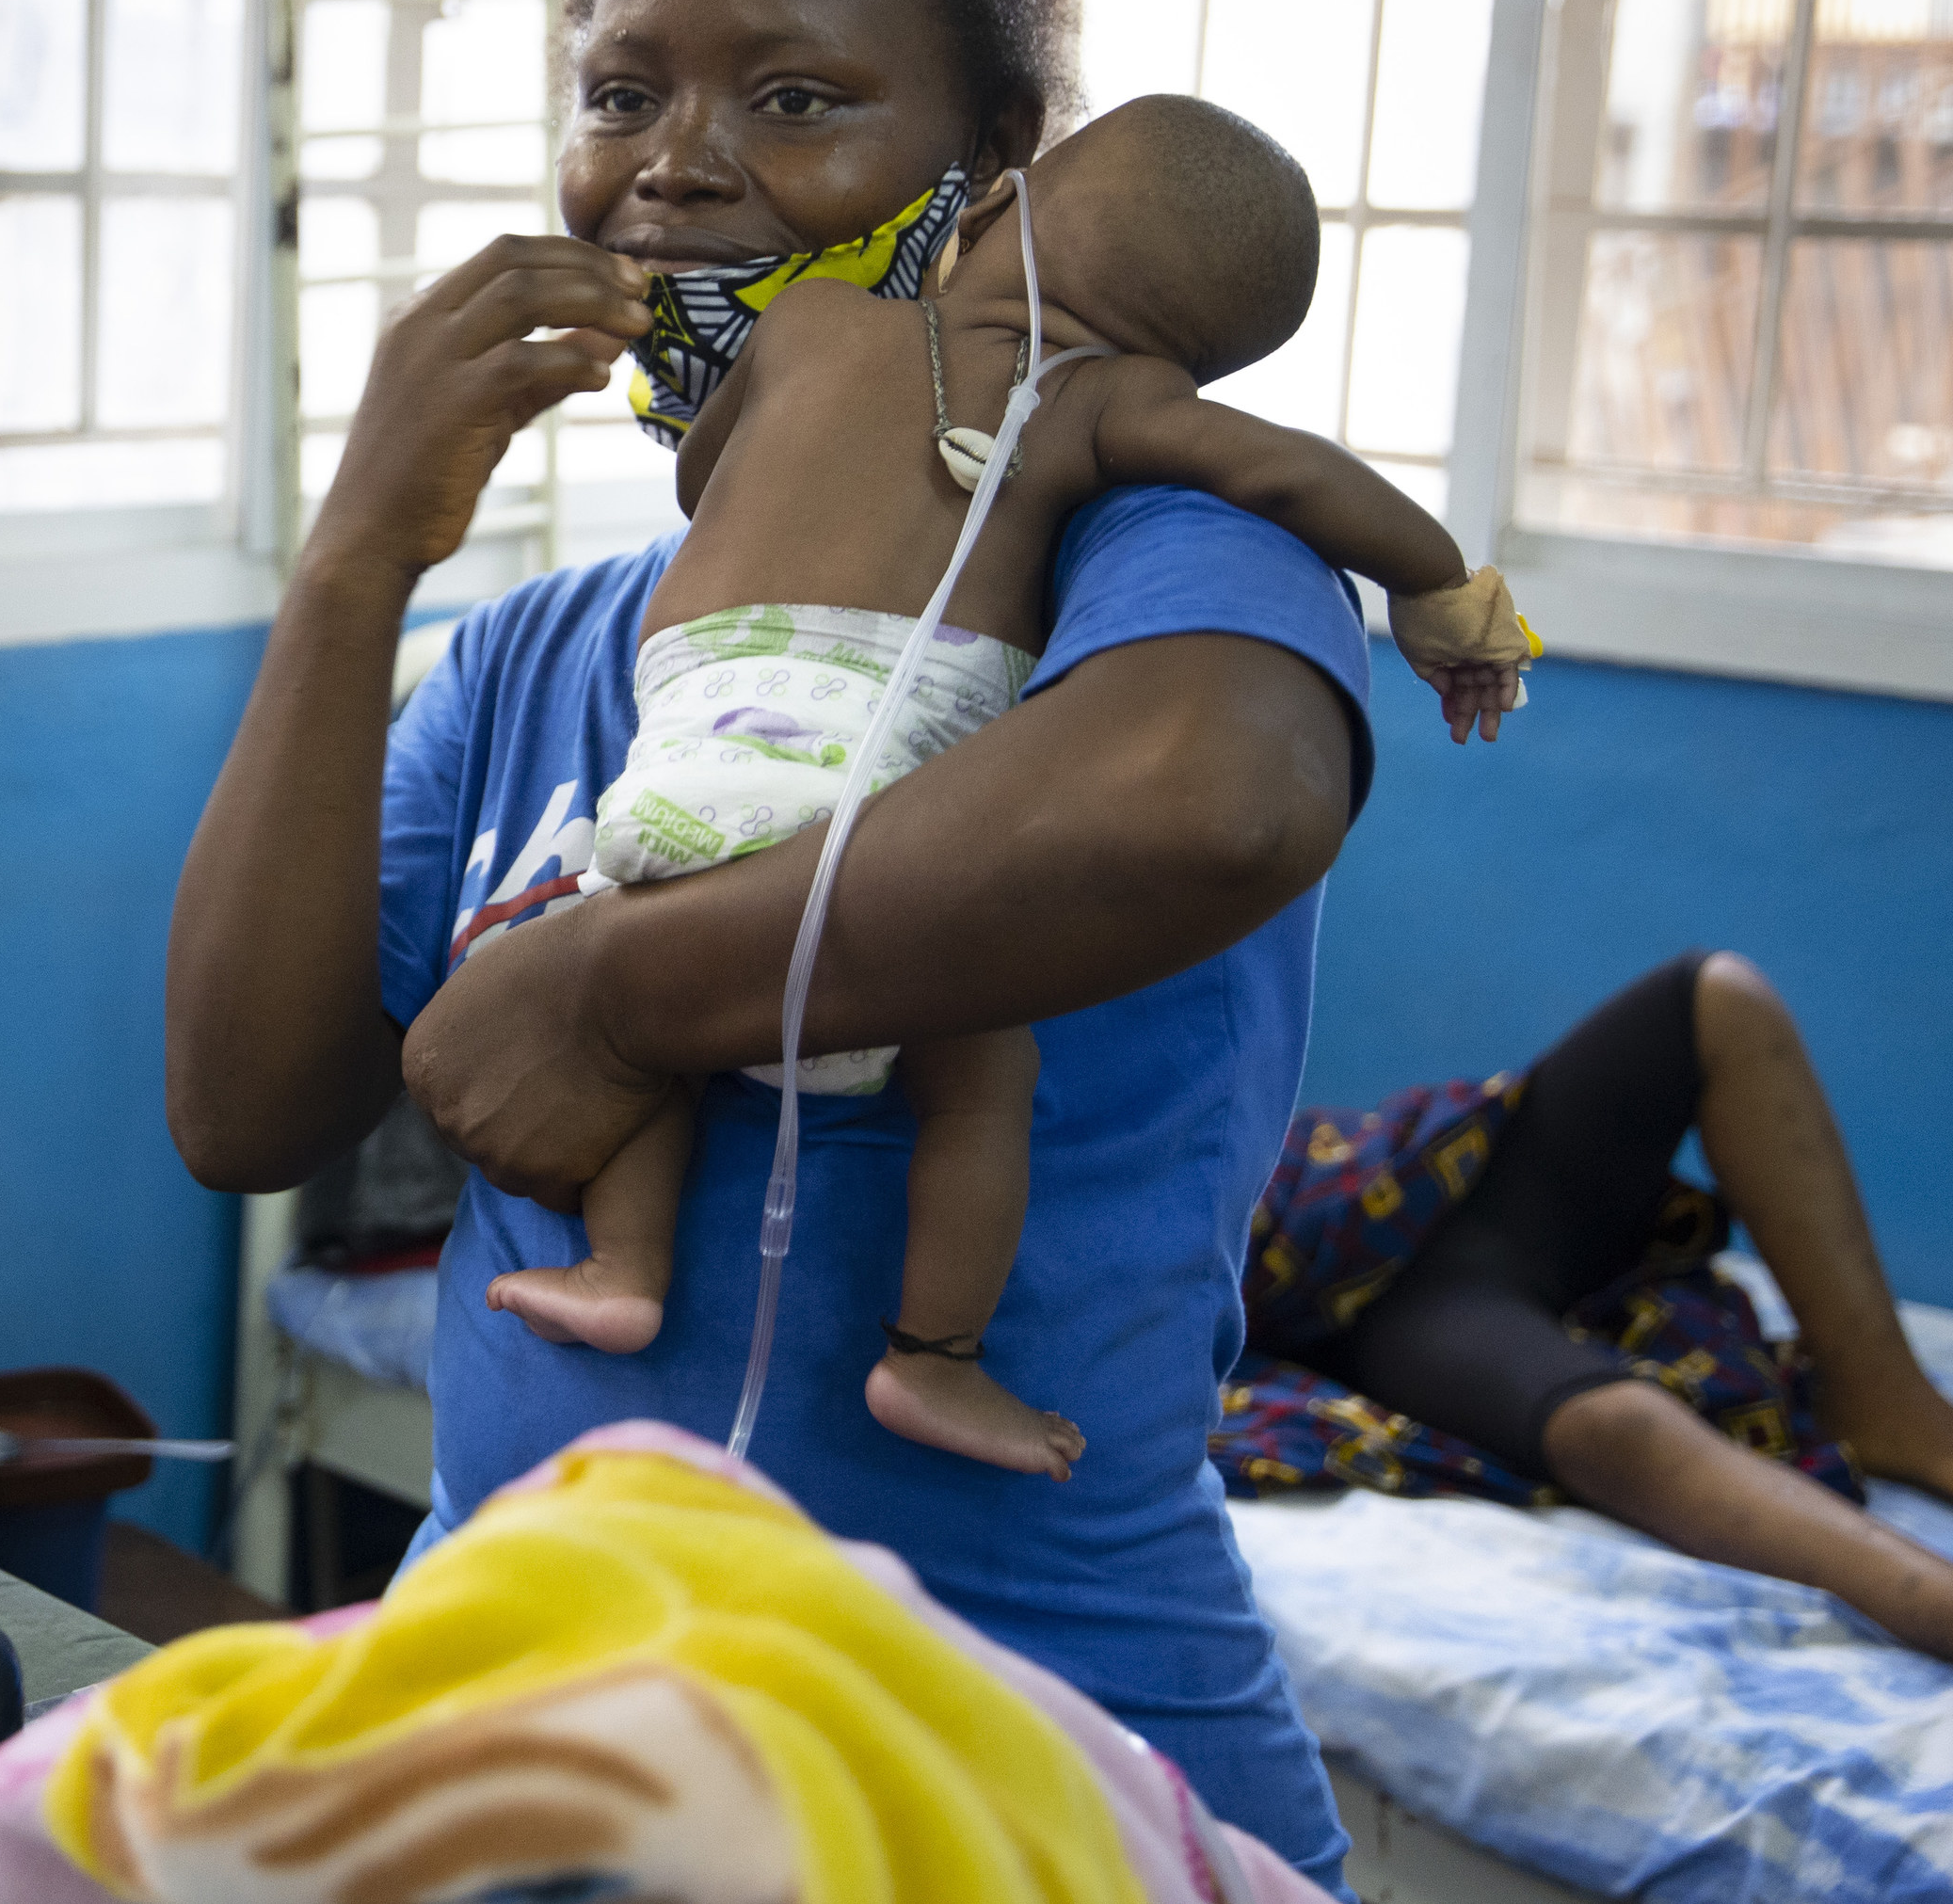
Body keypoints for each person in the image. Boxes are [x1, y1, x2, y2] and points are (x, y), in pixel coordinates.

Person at [166, 0, 1371, 1888]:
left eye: (794, 98)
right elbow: (244, 1108)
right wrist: (352, 562)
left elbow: (1214, 798)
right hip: (522, 1725)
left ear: (994, 169)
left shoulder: (1129, 532)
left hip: (1018, 1756)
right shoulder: (543, 647)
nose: (674, 169)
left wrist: (623, 991)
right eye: (620, 92)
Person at [484, 96, 1540, 1495]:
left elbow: (701, 468)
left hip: (692, 714)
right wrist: (1448, 596)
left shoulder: (811, 326)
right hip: (879, 741)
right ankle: (932, 1355)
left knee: (651, 960)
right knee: (979, 1081)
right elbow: (1295, 475)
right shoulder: (1104, 402)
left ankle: (624, 1264)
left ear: (981, 213)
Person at [1227, 950, 1953, 1658]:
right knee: (1615, 1426)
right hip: (1370, 1309)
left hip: (1397, 1187)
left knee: (1716, 997)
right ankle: (1929, 1600)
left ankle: (1885, 1394)